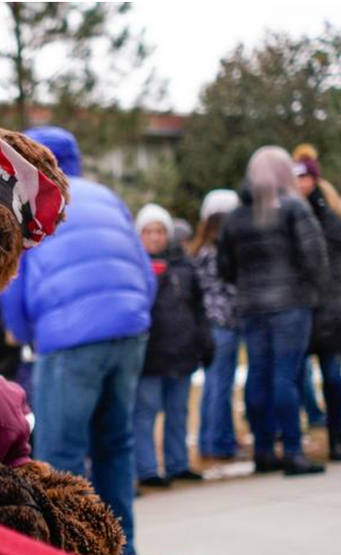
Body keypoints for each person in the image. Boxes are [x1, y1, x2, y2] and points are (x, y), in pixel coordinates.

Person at [0, 126, 155, 555]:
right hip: (129, 331)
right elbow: (145, 272)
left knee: (61, 455)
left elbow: (13, 280)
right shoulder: (106, 195)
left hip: (69, 337)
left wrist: (27, 335)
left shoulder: (31, 201)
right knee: (115, 445)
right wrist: (135, 317)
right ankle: (123, 553)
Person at [218, 146, 329, 476]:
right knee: (285, 376)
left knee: (258, 375)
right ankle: (293, 450)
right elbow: (315, 256)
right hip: (291, 303)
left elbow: (225, 266)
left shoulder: (235, 217)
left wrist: (248, 284)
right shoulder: (294, 207)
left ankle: (264, 450)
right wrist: (313, 289)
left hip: (251, 306)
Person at [133, 204, 212, 488]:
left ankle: (178, 463)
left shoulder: (184, 265)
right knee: (146, 412)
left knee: (178, 411)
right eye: (149, 231)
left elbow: (198, 307)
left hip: (182, 349)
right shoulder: (134, 265)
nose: (155, 237)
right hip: (150, 354)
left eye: (160, 231)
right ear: (139, 235)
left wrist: (204, 339)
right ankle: (147, 469)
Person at [293, 146, 341, 461]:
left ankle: (336, 437)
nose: (302, 184)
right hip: (301, 307)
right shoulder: (288, 210)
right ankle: (294, 442)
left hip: (331, 307)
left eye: (306, 178)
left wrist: (320, 209)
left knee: (332, 375)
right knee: (294, 377)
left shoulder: (329, 208)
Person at [192, 189, 242, 460]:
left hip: (211, 323)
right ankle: (218, 443)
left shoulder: (200, 250)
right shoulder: (217, 252)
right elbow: (228, 288)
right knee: (220, 384)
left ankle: (212, 439)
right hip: (224, 322)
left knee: (214, 384)